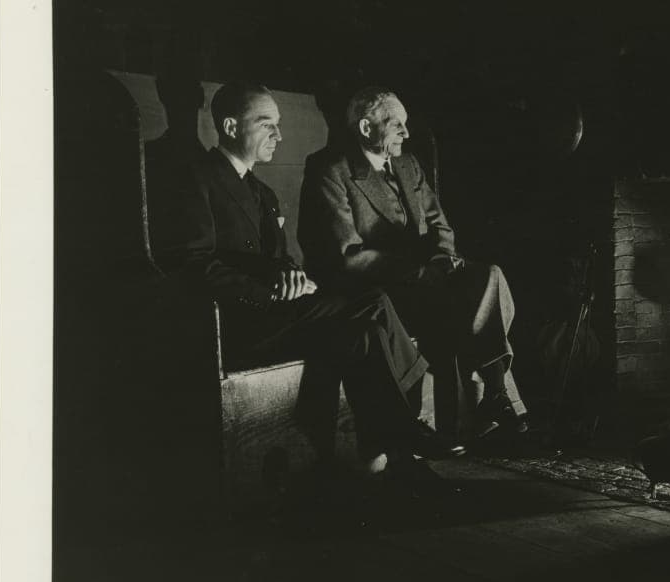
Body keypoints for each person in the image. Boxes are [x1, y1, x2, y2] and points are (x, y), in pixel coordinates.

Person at [150, 80, 460, 493]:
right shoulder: (197, 180)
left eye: (279, 124)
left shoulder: (262, 192)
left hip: (274, 312)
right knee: (371, 302)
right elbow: (192, 265)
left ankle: (386, 458)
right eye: (267, 124)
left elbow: (275, 261)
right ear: (229, 126)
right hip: (236, 321)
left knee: (364, 330)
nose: (278, 135)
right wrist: (269, 291)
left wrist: (290, 276)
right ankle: (406, 431)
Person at [298, 85, 528, 443]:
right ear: (365, 128)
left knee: (490, 276)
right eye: (397, 125)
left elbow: (440, 225)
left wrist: (441, 260)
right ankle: (477, 408)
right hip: (376, 288)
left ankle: (495, 393)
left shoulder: (407, 163)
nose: (407, 133)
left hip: (427, 276)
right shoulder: (331, 169)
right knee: (456, 307)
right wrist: (419, 273)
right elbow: (347, 256)